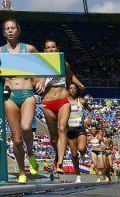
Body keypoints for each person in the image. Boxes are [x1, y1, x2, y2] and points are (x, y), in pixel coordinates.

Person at [0, 19, 39, 184]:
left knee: (26, 127)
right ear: (4, 33)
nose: (10, 30)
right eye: (7, 29)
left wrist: (40, 80)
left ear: (18, 30)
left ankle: (31, 153)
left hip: (27, 93)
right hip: (9, 96)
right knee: (16, 139)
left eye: (13, 28)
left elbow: (45, 64)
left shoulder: (29, 49)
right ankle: (21, 171)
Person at [36, 39, 85, 178]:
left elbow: (71, 76)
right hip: (48, 102)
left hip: (63, 99)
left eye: (53, 47)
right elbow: (34, 80)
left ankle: (60, 164)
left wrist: (79, 84)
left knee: (63, 129)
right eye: (48, 48)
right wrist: (40, 80)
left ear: (57, 48)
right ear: (44, 50)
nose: (51, 50)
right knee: (53, 138)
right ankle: (58, 155)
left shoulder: (63, 63)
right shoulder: (40, 65)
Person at [65, 83, 92, 183]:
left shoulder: (81, 101)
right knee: (74, 155)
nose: (72, 90)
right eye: (70, 88)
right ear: (68, 90)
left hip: (80, 128)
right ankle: (78, 175)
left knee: (81, 148)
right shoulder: (65, 102)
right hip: (70, 130)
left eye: (74, 88)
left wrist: (89, 120)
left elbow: (91, 110)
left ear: (77, 90)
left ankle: (83, 153)